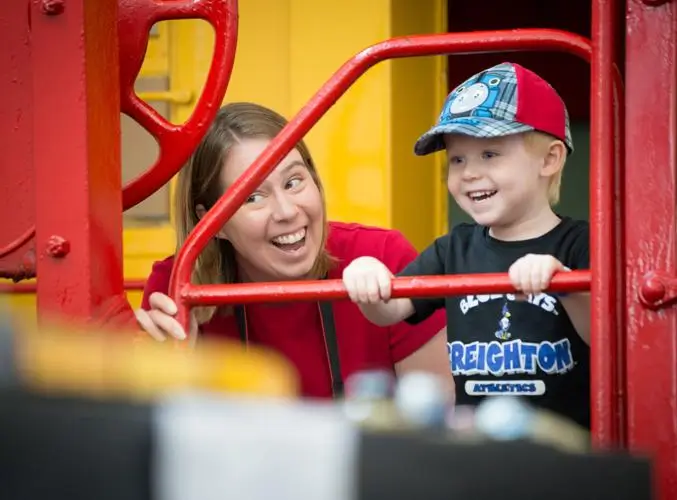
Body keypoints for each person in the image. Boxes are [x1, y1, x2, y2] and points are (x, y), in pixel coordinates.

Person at [134, 101, 452, 400]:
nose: (286, 211)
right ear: (211, 222)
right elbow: (156, 444)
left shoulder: (383, 255)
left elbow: (437, 425)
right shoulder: (177, 290)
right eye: (252, 197)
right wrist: (176, 372)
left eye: (293, 182)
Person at [342, 62, 591, 429]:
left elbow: (605, 338)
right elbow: (390, 311)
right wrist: (366, 276)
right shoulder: (453, 249)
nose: (469, 173)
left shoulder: (580, 244)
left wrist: (565, 285)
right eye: (457, 159)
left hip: (561, 448)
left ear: (549, 159)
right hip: (479, 447)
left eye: (489, 155)